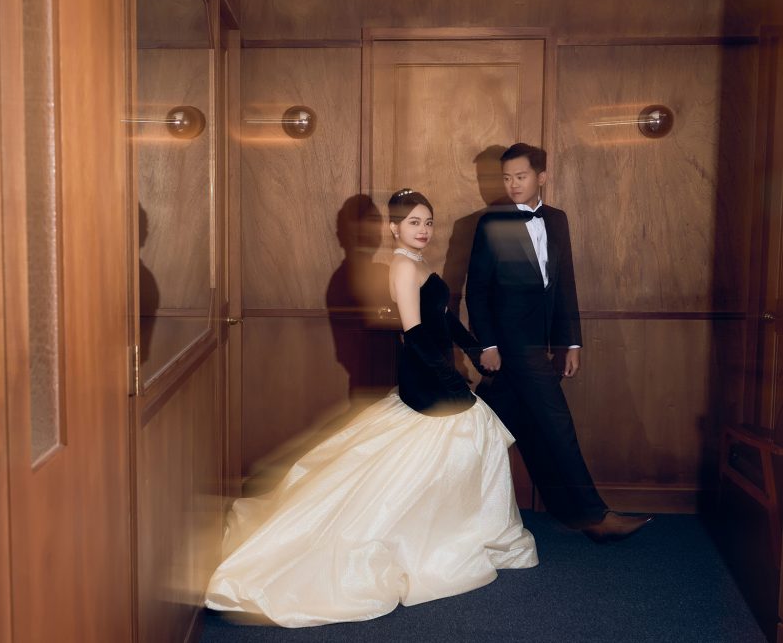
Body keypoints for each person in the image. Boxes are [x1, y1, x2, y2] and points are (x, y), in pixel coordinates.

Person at [204, 189, 537, 628]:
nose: (423, 230)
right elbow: (415, 334)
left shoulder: (416, 262)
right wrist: (450, 379)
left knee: (462, 443)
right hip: (425, 376)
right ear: (394, 228)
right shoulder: (402, 266)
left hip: (433, 371)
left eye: (428, 222)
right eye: (414, 222)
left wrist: (474, 350)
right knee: (473, 435)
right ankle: (445, 537)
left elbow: (442, 317)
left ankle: (447, 530)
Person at [466, 143, 652, 542]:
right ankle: (595, 517)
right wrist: (488, 344)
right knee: (557, 424)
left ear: (541, 177)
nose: (513, 185)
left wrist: (572, 343)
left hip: (543, 343)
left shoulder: (557, 219)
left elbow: (564, 283)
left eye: (521, 176)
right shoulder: (491, 222)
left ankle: (562, 512)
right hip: (513, 344)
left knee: (499, 426)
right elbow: (476, 291)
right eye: (506, 178)